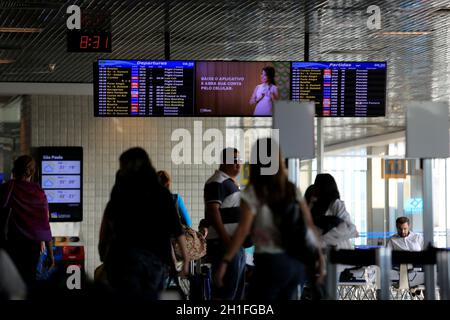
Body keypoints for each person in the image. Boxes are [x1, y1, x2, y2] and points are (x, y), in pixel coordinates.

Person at [214, 139, 325, 301]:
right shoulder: (291, 189)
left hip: (270, 264)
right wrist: (320, 258)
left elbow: (242, 230)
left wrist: (225, 261)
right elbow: (309, 226)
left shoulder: (253, 192)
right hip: (294, 265)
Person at [98, 147, 189, 300]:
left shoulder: (121, 192)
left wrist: (103, 249)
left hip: (124, 259)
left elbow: (108, 222)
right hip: (155, 262)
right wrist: (185, 260)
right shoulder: (161, 194)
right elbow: (176, 229)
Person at [0, 155, 54, 288]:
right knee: (29, 281)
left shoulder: (8, 187)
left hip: (12, 244)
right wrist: (50, 254)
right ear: (32, 172)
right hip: (33, 246)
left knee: (12, 283)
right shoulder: (39, 193)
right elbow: (44, 224)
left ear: (15, 170)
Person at [203, 147, 246, 300]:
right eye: (234, 161)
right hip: (223, 244)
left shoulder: (231, 183)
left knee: (235, 293)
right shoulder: (216, 182)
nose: (238, 164)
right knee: (226, 294)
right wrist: (227, 241)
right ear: (224, 161)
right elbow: (213, 212)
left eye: (239, 160)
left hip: (232, 245)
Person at [311, 173, 359, 249]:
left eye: (317, 185)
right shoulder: (314, 206)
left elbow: (352, 229)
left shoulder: (336, 204)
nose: (315, 188)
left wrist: (323, 238)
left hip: (340, 250)